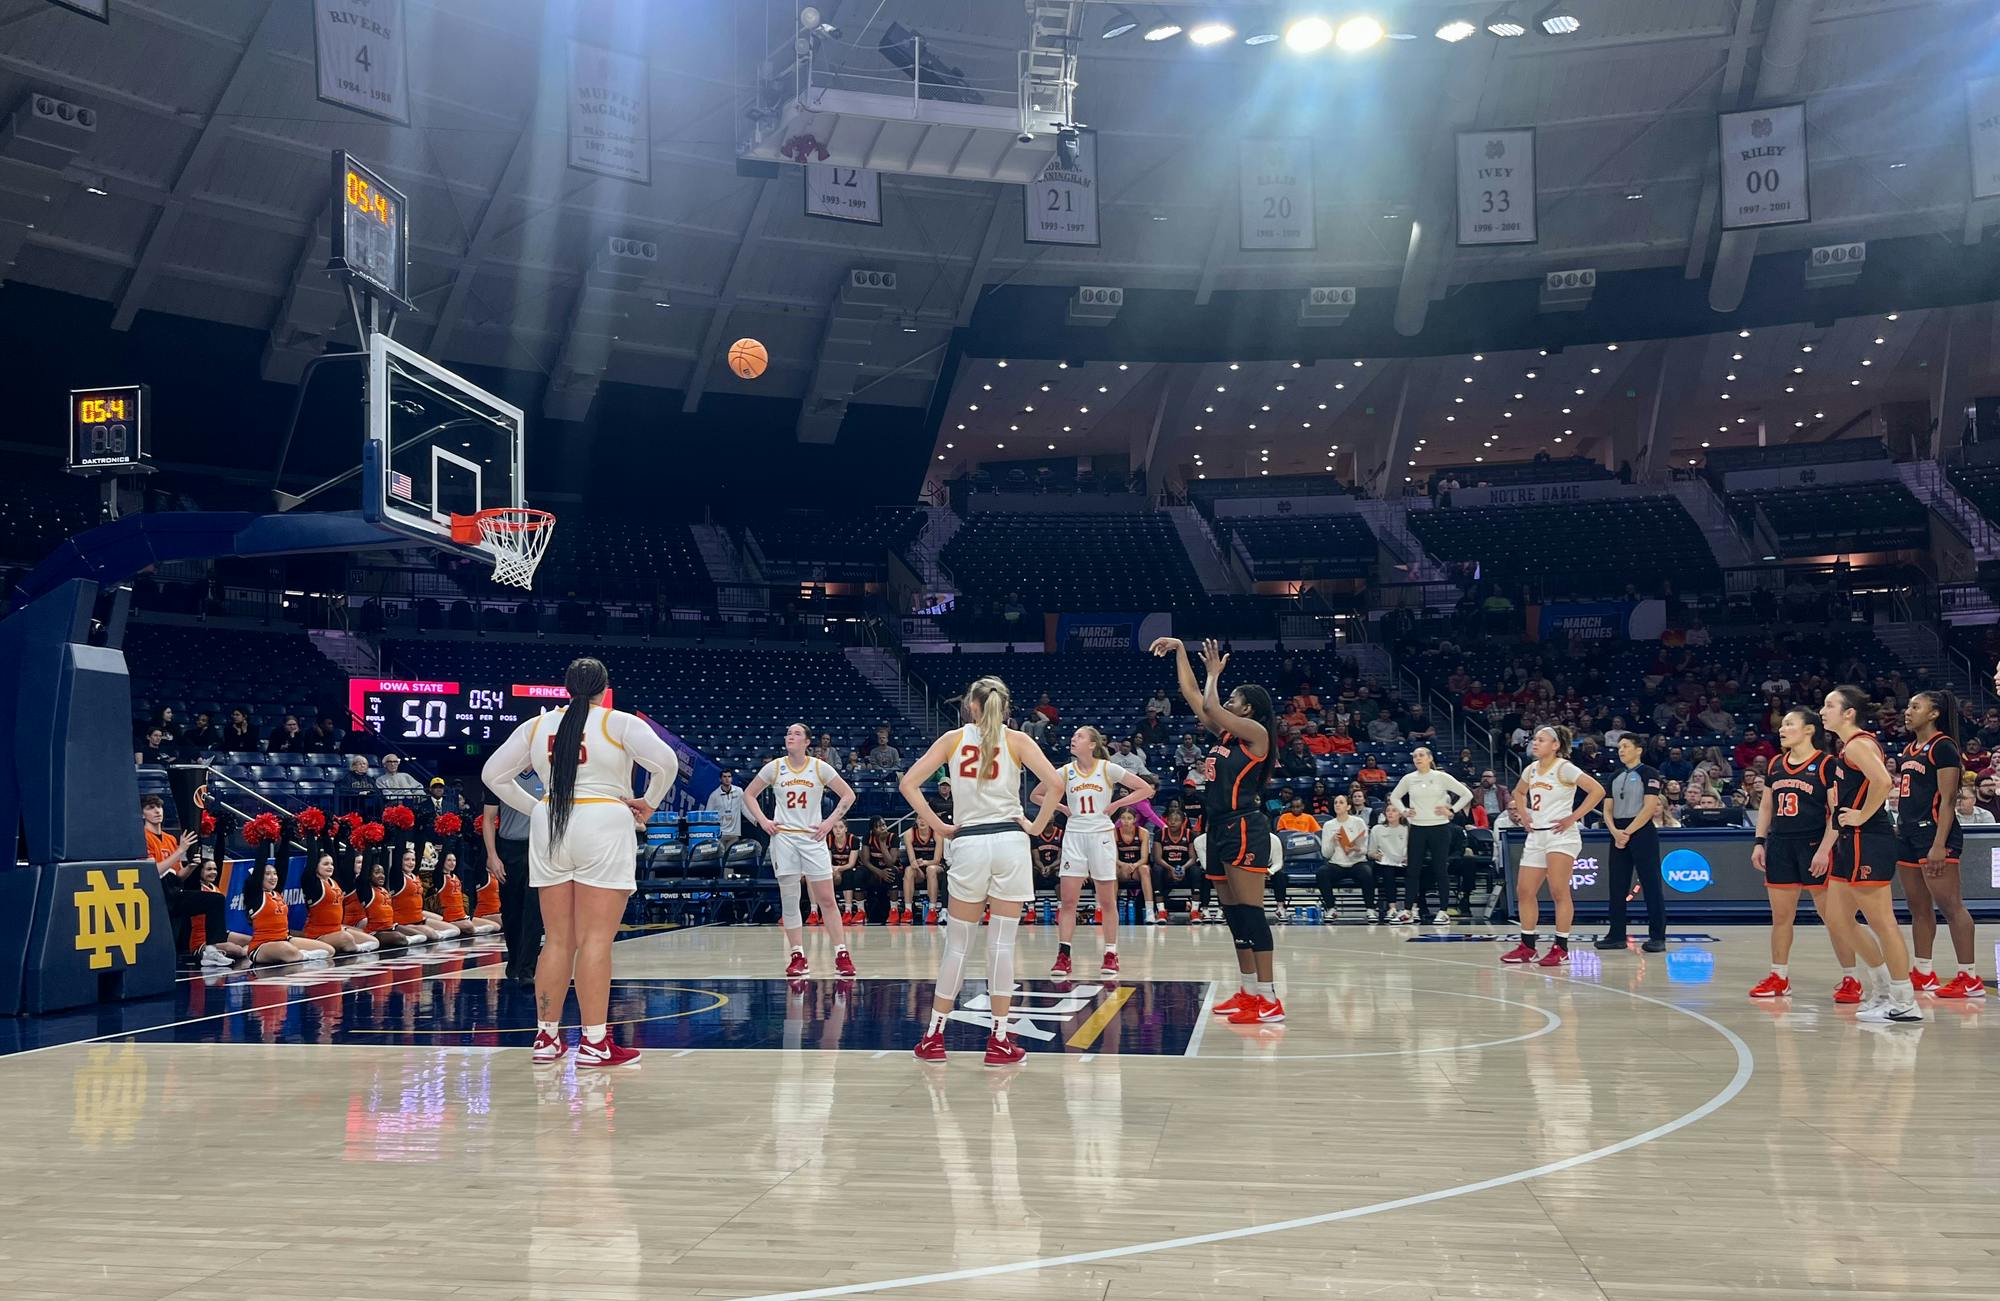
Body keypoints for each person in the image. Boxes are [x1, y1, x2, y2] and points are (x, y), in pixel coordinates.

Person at [481, 657, 679, 1067]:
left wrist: (536, 805)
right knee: (595, 940)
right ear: (604, 689)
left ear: (566, 688)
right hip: (602, 821)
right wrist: (649, 804)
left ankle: (546, 1038)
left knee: (555, 940)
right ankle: (593, 1043)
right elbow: (667, 763)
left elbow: (492, 775)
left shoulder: (537, 726)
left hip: (551, 822)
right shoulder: (618, 722)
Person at [901, 676, 1065, 1066]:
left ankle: (934, 1037)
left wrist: (939, 826)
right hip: (1010, 842)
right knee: (1002, 946)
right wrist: (1038, 826)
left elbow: (908, 784)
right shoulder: (1018, 740)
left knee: (958, 945)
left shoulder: (953, 740)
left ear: (971, 706)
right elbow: (1056, 783)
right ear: (1004, 708)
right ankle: (1000, 1041)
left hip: (970, 842)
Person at [1152, 636, 1284, 1025]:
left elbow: (1209, 701)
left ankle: (1270, 997)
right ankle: (1246, 992)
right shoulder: (1227, 736)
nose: (1226, 705)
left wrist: (1214, 675)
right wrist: (1179, 651)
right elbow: (1194, 695)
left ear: (1249, 710)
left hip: (1245, 825)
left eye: (1234, 701)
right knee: (1232, 914)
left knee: (1252, 913)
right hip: (1219, 827)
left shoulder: (1258, 736)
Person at [1818, 685, 1923, 1023]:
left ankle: (1905, 998)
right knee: (1836, 918)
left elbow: (1883, 782)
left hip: (1869, 837)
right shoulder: (1848, 746)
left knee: (1882, 922)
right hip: (1850, 840)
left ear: (1849, 713)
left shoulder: (1860, 744)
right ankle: (1880, 988)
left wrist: (1861, 814)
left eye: (1830, 705)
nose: (1823, 710)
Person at [1748, 708, 1860, 1002]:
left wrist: (1824, 850)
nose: (1781, 729)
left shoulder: (1826, 764)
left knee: (1834, 917)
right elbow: (1766, 807)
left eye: (1789, 724)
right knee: (1781, 917)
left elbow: (1836, 814)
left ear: (1809, 730)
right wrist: (1759, 841)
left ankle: (1852, 978)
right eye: (1782, 724)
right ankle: (1779, 977)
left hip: (1814, 845)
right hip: (1781, 845)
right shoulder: (1775, 763)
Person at [742, 723, 860, 977]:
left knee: (827, 899)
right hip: (784, 838)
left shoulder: (818, 767)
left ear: (807, 742)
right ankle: (797, 955)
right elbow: (749, 795)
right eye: (788, 733)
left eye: (796, 733)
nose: (790, 736)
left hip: (812, 838)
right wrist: (763, 821)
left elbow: (848, 795)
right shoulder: (774, 767)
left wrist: (829, 823)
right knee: (790, 898)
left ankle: (841, 953)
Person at [1893, 691, 1983, 999]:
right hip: (1907, 834)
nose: (1908, 711)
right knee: (1917, 907)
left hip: (1933, 834)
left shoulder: (1943, 747)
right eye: (1908, 706)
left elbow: (1947, 802)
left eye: (1915, 706)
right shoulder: (1908, 749)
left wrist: (1938, 844)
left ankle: (1969, 977)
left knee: (1951, 906)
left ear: (1933, 714)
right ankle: (1923, 971)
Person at [1052, 726, 1157, 977]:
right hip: (1074, 836)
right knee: (1068, 901)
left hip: (1101, 836)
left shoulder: (1107, 768)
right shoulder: (1065, 772)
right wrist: (1063, 809)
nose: (1073, 739)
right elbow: (1037, 794)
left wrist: (1116, 805)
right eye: (1073, 736)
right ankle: (1063, 955)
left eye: (1079, 736)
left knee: (1107, 900)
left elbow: (1146, 789)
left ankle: (1111, 954)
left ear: (1092, 744)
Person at [1501, 725, 1605, 967]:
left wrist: (1573, 817)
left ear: (1555, 745)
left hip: (1561, 835)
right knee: (1524, 891)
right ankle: (1528, 946)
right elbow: (1518, 791)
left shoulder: (1564, 767)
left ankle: (1562, 947)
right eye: (1534, 739)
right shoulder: (1531, 769)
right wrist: (1525, 816)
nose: (1535, 743)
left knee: (1559, 890)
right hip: (1537, 836)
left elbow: (1597, 790)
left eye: (1542, 740)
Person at [1597, 734, 1668, 953]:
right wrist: (1615, 832)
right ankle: (1616, 934)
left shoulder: (1649, 773)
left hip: (1641, 831)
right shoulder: (1615, 775)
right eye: (1619, 747)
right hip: (1617, 831)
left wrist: (1627, 832)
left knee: (1651, 883)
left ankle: (1657, 936)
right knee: (1617, 885)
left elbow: (1649, 808)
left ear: (1639, 750)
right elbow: (1607, 809)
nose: (1621, 750)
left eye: (1626, 746)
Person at [142, 795, 231, 967]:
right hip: (155, 894)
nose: (156, 811)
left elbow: (178, 876)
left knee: (215, 900)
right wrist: (181, 850)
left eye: (158, 807)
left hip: (173, 891)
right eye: (150, 808)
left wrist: (191, 866)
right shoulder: (143, 837)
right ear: (142, 814)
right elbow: (153, 871)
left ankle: (211, 949)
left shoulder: (170, 838)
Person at [1387, 747, 1472, 925]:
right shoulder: (1409, 779)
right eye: (1415, 756)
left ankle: (1443, 911)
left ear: (1430, 758)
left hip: (1440, 828)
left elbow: (1467, 794)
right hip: (1417, 828)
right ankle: (1408, 910)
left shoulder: (1441, 777)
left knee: (1440, 869)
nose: (1417, 758)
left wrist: (1451, 810)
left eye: (1421, 755)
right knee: (1412, 871)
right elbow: (1394, 797)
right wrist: (1404, 811)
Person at [481, 764, 541, 987]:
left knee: (534, 909)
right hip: (508, 848)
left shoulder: (547, 775)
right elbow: (488, 819)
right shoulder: (501, 778)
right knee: (511, 910)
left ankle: (528, 968)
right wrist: (492, 855)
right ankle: (514, 959)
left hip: (538, 847)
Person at [242, 860, 335, 966]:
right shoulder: (256, 897)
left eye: (275, 873)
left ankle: (299, 955)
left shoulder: (277, 893)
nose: (273, 877)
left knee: (329, 950)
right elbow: (260, 860)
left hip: (285, 938)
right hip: (262, 945)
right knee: (288, 951)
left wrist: (284, 842)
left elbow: (283, 864)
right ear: (258, 878)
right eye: (267, 874)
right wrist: (265, 842)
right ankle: (302, 955)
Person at [298, 852, 376, 954]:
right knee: (346, 938)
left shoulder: (334, 882)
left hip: (337, 929)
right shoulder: (313, 884)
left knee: (373, 941)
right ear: (315, 866)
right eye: (325, 864)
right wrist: (312, 835)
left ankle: (350, 946)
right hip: (319, 934)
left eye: (331, 864)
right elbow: (312, 858)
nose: (330, 867)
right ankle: (313, 948)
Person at [1316, 793, 1376, 921]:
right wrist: (1332, 841)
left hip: (1357, 862)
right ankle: (1331, 908)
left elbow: (1364, 850)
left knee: (1367, 873)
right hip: (1337, 864)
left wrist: (1356, 848)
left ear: (1348, 806)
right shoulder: (1328, 825)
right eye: (1336, 802)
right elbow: (1326, 854)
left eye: (1341, 802)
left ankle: (1370, 909)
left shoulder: (1358, 822)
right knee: (1322, 873)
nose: (1337, 805)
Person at [1152, 800, 1201, 921]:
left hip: (1185, 868)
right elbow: (1157, 858)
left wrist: (1183, 868)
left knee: (1196, 870)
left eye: (1176, 820)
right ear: (1166, 820)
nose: (1173, 822)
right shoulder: (1160, 834)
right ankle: (1161, 911)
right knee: (1156, 870)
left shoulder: (1190, 834)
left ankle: (1195, 911)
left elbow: (1193, 858)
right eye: (1170, 820)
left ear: (1183, 822)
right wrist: (1171, 869)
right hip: (1166, 867)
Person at [900, 799, 946, 925]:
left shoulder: (937, 833)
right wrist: (916, 865)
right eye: (919, 818)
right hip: (919, 868)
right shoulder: (909, 834)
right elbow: (911, 859)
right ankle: (908, 910)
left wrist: (924, 862)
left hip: (936, 867)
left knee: (931, 870)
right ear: (916, 820)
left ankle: (932, 910)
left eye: (924, 818)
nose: (922, 821)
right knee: (909, 870)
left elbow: (937, 860)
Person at [435, 851, 499, 936]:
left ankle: (472, 929)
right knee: (468, 926)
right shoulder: (440, 878)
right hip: (450, 917)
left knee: (496, 927)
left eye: (454, 860)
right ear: (442, 861)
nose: (452, 863)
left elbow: (460, 855)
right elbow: (481, 861)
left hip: (463, 916)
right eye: (449, 860)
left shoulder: (456, 876)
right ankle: (449, 927)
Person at [1113, 807, 1157, 925]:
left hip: (1137, 867)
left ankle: (1149, 911)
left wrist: (1134, 865)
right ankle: (1112, 911)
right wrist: (1124, 865)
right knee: (1111, 870)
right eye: (1123, 818)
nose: (1125, 821)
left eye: (1129, 818)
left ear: (1135, 819)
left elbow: (1144, 858)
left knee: (1145, 869)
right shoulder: (1113, 833)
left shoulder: (1143, 832)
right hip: (1122, 868)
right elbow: (1114, 858)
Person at [705, 768, 745, 852]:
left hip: (734, 833)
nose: (727, 779)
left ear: (732, 778)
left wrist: (755, 820)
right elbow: (708, 815)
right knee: (720, 856)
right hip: (720, 834)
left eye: (729, 776)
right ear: (720, 779)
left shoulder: (739, 791)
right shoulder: (714, 795)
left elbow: (745, 809)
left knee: (730, 857)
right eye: (724, 777)